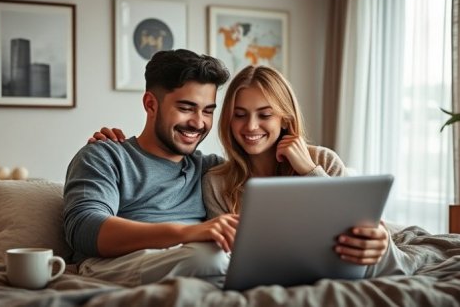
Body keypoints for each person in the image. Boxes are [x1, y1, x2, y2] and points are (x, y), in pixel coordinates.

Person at [92, 65, 406, 280]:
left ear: (284, 118)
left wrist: (310, 171)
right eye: (240, 115)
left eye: (264, 115)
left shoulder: (323, 161)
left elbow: (359, 226)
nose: (251, 127)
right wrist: (114, 148)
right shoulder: (217, 179)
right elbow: (231, 258)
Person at [63, 49, 237, 288]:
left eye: (207, 111)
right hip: (117, 264)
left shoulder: (210, 168)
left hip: (195, 259)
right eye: (186, 108)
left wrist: (306, 164)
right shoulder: (105, 155)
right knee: (213, 259)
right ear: (150, 104)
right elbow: (84, 228)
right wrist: (186, 233)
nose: (199, 123)